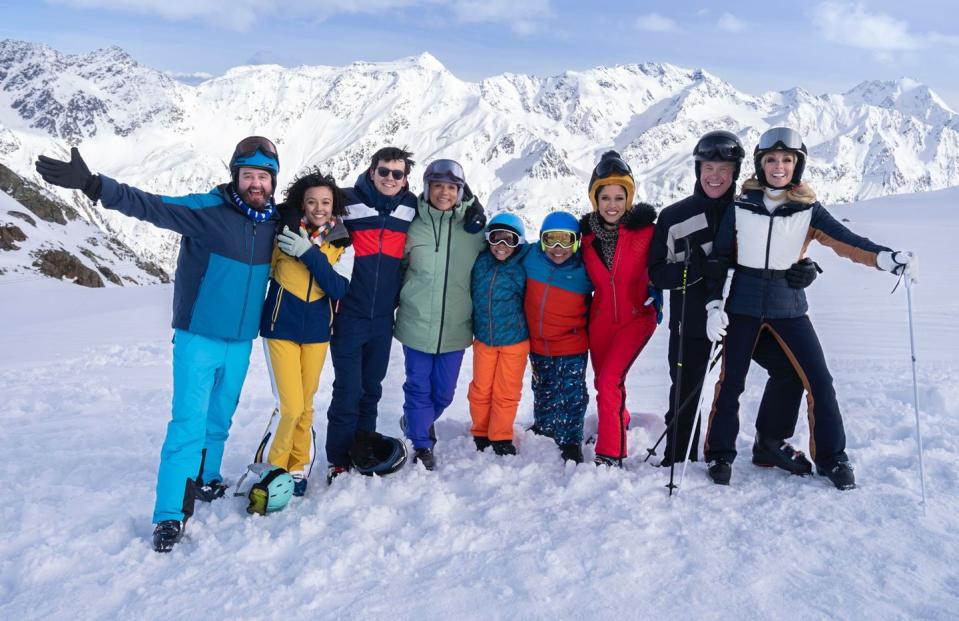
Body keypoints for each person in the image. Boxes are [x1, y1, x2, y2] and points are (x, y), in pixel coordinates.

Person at [35, 136, 283, 552]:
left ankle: (205, 479)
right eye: (248, 176)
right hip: (198, 338)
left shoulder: (274, 221)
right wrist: (95, 185)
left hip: (240, 342)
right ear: (235, 176)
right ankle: (170, 514)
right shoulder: (207, 211)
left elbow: (323, 206)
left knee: (219, 420)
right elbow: (150, 205)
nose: (255, 184)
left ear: (273, 181)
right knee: (188, 424)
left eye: (263, 176)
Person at [703, 126, 918, 490]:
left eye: (787, 160)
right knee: (731, 382)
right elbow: (720, 258)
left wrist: (886, 258)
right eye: (771, 159)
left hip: (789, 306)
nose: (779, 166)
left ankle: (827, 457)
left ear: (797, 165)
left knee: (818, 380)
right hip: (743, 304)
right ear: (760, 163)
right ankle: (720, 453)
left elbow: (847, 242)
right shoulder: (740, 207)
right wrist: (713, 305)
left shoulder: (807, 209)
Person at [648, 131, 817, 473]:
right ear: (697, 169)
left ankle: (769, 442)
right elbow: (657, 274)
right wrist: (693, 270)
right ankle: (678, 460)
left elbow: (784, 248)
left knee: (788, 371)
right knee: (686, 393)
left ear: (737, 171)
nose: (715, 176)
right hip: (693, 321)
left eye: (724, 168)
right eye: (708, 167)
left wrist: (807, 268)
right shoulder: (674, 217)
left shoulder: (751, 210)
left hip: (748, 315)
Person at [324, 147, 418, 483]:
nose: (390, 179)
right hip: (349, 314)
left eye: (397, 173)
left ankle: (360, 449)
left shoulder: (411, 208)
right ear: (372, 171)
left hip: (382, 318)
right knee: (348, 389)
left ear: (406, 178)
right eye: (384, 172)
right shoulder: (347, 201)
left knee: (371, 388)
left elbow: (447, 213)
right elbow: (311, 210)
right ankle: (337, 458)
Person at [260, 168, 351, 497]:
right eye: (311, 201)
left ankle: (297, 468)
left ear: (334, 204)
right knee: (291, 406)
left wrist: (309, 253)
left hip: (316, 333)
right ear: (302, 203)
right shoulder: (281, 233)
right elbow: (263, 270)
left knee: (307, 405)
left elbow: (338, 287)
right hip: (280, 329)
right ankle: (273, 468)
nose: (318, 208)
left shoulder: (341, 241)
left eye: (325, 202)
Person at [395, 159, 486, 470]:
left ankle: (415, 420)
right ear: (427, 188)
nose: (444, 193)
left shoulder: (474, 230)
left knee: (444, 393)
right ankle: (421, 443)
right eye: (438, 186)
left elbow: (499, 257)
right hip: (415, 322)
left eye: (451, 187)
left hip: (456, 326)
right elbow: (398, 268)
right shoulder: (412, 223)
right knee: (417, 386)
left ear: (460, 191)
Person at [578, 151, 659, 467]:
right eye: (605, 197)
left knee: (611, 380)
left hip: (637, 318)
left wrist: (663, 289)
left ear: (630, 198)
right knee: (603, 383)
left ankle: (610, 451)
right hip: (599, 323)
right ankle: (618, 420)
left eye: (619, 197)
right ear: (594, 199)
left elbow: (672, 262)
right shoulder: (585, 239)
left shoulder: (647, 233)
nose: (612, 204)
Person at [523, 211, 593, 464]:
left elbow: (615, 278)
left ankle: (571, 440)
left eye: (566, 240)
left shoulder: (585, 269)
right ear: (541, 240)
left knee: (571, 393)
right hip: (538, 344)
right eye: (551, 240)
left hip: (571, 344)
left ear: (576, 242)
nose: (558, 248)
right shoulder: (530, 257)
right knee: (543, 387)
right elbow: (502, 247)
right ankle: (545, 426)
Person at [467, 212, 530, 455]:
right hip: (484, 339)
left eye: (510, 240)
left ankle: (501, 435)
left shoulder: (523, 263)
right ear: (488, 240)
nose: (502, 246)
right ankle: (481, 430)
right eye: (496, 238)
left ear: (519, 243)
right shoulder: (480, 261)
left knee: (507, 391)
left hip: (515, 340)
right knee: (480, 388)